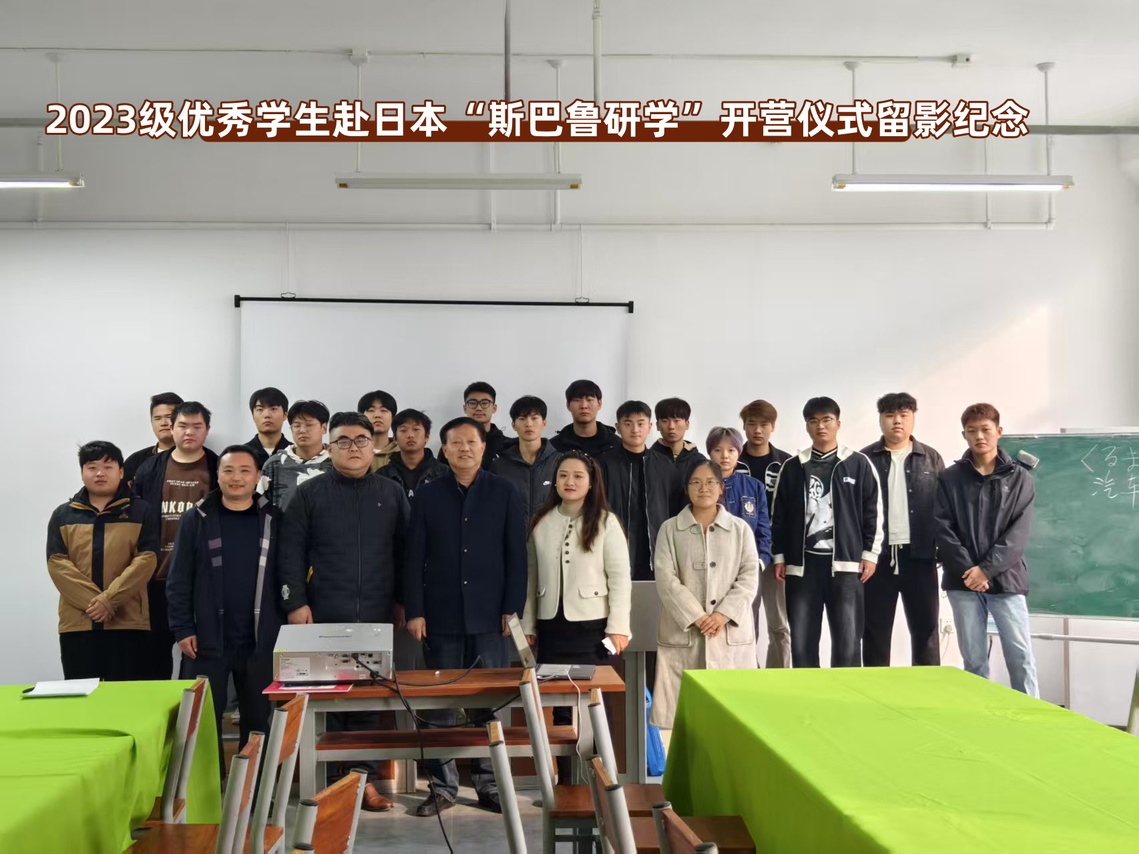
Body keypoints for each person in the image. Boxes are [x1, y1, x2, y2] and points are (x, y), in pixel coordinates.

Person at [279, 411, 411, 811]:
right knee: (330, 698)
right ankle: (334, 782)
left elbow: (405, 552)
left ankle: (360, 781)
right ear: (329, 447)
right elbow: (291, 550)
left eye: (361, 441)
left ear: (373, 446)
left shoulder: (391, 492)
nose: (353, 448)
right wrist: (295, 602)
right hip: (324, 609)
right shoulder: (309, 493)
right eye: (343, 441)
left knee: (368, 698)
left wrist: (403, 600)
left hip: (377, 610)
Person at [405, 416, 527, 817]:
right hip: (440, 615)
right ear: (444, 449)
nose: (464, 449)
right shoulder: (429, 494)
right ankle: (442, 787)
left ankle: (490, 784)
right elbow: (414, 557)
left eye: (471, 442)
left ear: (483, 447)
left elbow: (517, 556)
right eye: (455, 443)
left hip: (491, 617)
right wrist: (416, 611)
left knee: (489, 705)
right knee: (439, 704)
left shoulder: (504, 492)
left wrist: (512, 609)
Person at [166, 445, 283, 759]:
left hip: (259, 641)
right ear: (217, 475)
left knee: (258, 721)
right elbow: (178, 579)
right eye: (228, 470)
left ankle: (253, 786)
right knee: (201, 722)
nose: (236, 478)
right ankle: (209, 787)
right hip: (205, 641)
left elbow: (286, 575)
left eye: (245, 471)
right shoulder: (196, 519)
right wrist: (182, 629)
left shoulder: (274, 519)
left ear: (257, 476)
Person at [521, 450, 631, 780]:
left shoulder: (606, 521)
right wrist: (528, 624)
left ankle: (602, 781)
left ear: (591, 481)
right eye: (563, 475)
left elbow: (620, 578)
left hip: (593, 628)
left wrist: (618, 626)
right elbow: (531, 578)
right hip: (552, 627)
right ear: (555, 481)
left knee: (595, 705)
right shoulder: (541, 521)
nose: (570, 482)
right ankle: (568, 783)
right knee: (560, 706)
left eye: (578, 476)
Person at [651, 461, 759, 742]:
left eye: (711, 482)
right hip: (685, 632)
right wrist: (697, 616)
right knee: (684, 725)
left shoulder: (740, 529)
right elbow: (666, 578)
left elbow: (749, 577)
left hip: (729, 633)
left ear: (721, 487)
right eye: (696, 482)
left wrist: (722, 615)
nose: (704, 488)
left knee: (732, 723)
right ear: (686, 488)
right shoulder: (669, 529)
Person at [936, 403, 1038, 697]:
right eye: (972, 431)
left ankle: (1033, 714)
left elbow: (1017, 534)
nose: (979, 436)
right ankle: (979, 714)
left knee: (1020, 655)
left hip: (1007, 580)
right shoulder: (949, 478)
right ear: (964, 435)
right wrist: (970, 571)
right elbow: (942, 528)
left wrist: (986, 570)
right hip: (962, 581)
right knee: (973, 659)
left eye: (985, 429)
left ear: (999, 431)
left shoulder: (1019, 478)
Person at [771, 397, 882, 669]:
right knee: (802, 643)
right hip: (802, 567)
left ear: (838, 424)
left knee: (848, 644)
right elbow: (778, 515)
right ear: (807, 426)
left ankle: (846, 694)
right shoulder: (793, 466)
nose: (820, 426)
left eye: (827, 420)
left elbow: (873, 511)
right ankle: (808, 693)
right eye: (814, 421)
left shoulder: (858, 463)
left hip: (846, 567)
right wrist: (779, 556)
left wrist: (870, 554)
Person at [48, 441, 157, 681]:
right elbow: (57, 564)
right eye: (92, 467)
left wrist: (109, 600)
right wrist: (96, 604)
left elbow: (146, 561)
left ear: (121, 472)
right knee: (82, 697)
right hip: (78, 624)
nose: (99, 473)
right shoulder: (63, 515)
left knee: (125, 697)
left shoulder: (141, 511)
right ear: (82, 472)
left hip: (128, 623)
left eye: (108, 467)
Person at [133, 401, 219, 679]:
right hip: (156, 579)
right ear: (171, 428)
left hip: (203, 582)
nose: (189, 432)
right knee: (153, 661)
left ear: (207, 430)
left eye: (197, 426)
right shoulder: (149, 469)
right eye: (182, 425)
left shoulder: (219, 467)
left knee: (198, 663)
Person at [860, 393, 946, 667]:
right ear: (880, 420)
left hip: (920, 556)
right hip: (877, 559)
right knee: (874, 631)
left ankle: (927, 689)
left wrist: (942, 549)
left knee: (926, 631)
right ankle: (874, 689)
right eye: (890, 415)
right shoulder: (864, 458)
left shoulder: (930, 458)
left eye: (904, 415)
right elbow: (855, 509)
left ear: (912, 418)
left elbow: (944, 507)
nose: (897, 421)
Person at [706, 427, 778, 666]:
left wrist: (759, 562)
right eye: (718, 450)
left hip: (748, 571)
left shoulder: (753, 487)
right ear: (709, 453)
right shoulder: (702, 486)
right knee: (714, 626)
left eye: (731, 450)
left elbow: (764, 530)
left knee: (747, 625)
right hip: (712, 570)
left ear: (739, 453)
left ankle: (748, 671)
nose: (724, 456)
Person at [599, 401, 683, 581]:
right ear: (618, 428)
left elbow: (675, 509)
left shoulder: (664, 465)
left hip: (656, 547)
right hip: (614, 545)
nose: (635, 430)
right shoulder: (604, 464)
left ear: (650, 427)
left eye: (640, 423)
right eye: (628, 424)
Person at [737, 400, 792, 668]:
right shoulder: (732, 460)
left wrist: (785, 553)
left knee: (780, 622)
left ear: (773, 426)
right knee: (743, 620)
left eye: (764, 424)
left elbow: (794, 510)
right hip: (739, 555)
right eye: (752, 424)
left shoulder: (787, 463)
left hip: (776, 554)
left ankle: (778, 677)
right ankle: (748, 674)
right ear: (744, 426)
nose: (757, 430)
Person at [491, 395, 560, 519]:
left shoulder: (559, 462)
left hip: (550, 529)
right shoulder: (500, 465)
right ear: (513, 425)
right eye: (522, 418)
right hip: (511, 530)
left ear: (544, 423)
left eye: (534, 418)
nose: (528, 424)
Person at [259, 399, 332, 512]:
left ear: (324, 428)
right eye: (297, 425)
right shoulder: (274, 464)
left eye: (309, 425)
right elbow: (261, 506)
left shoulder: (336, 462)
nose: (302, 430)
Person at [381, 409, 449, 501]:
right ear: (395, 439)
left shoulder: (445, 473)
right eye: (403, 430)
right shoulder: (382, 476)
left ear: (427, 436)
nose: (410, 435)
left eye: (416, 429)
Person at [124, 392, 183, 486]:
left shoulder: (201, 458)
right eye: (157, 418)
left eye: (169, 417)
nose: (163, 423)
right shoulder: (136, 461)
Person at [550, 379, 621, 457]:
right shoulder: (553, 447)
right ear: (568, 405)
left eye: (589, 400)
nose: (584, 406)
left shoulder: (617, 445)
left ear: (599, 404)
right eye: (577, 400)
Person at [652, 397, 707, 481]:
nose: (671, 426)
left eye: (676, 421)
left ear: (687, 424)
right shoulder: (648, 459)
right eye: (665, 421)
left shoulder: (699, 461)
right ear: (657, 425)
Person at [461, 381, 509, 468]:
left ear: (494, 408)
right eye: (472, 403)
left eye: (484, 403)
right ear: (465, 408)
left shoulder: (508, 446)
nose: (478, 408)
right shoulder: (453, 444)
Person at [244, 387, 291, 470]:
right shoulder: (242, 454)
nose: (267, 415)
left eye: (273, 409)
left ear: (285, 415)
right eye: (260, 409)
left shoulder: (295, 454)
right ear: (253, 416)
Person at [358, 390, 399, 472]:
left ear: (393, 418)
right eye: (371, 410)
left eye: (384, 410)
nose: (377, 415)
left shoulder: (403, 454)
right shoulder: (353, 452)